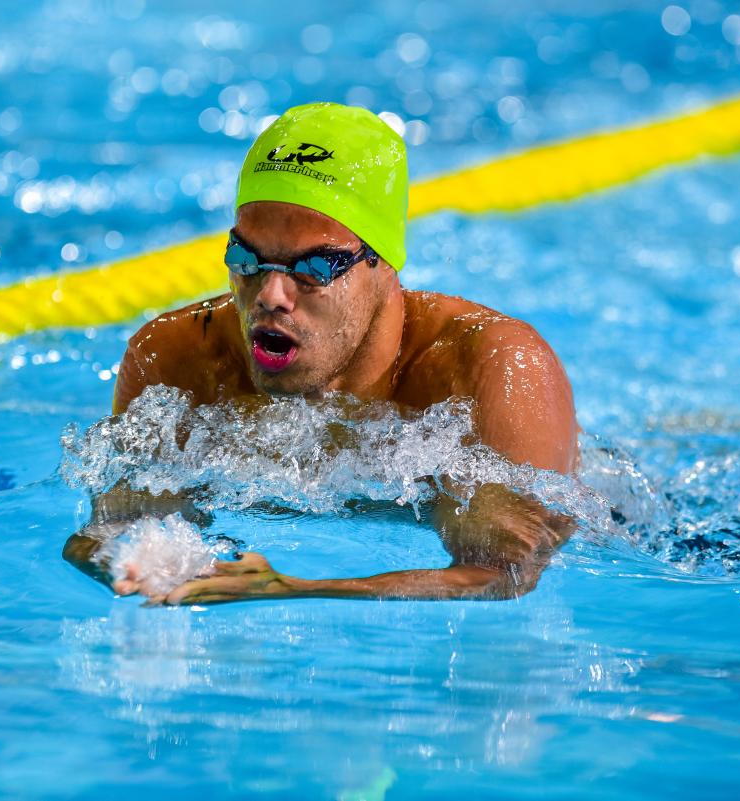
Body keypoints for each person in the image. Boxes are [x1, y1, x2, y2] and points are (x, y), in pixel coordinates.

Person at [64, 102, 579, 605]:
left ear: (383, 263)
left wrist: (298, 590)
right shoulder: (178, 361)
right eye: (246, 259)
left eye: (314, 267)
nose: (269, 294)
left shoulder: (490, 367)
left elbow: (504, 573)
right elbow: (114, 528)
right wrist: (129, 560)